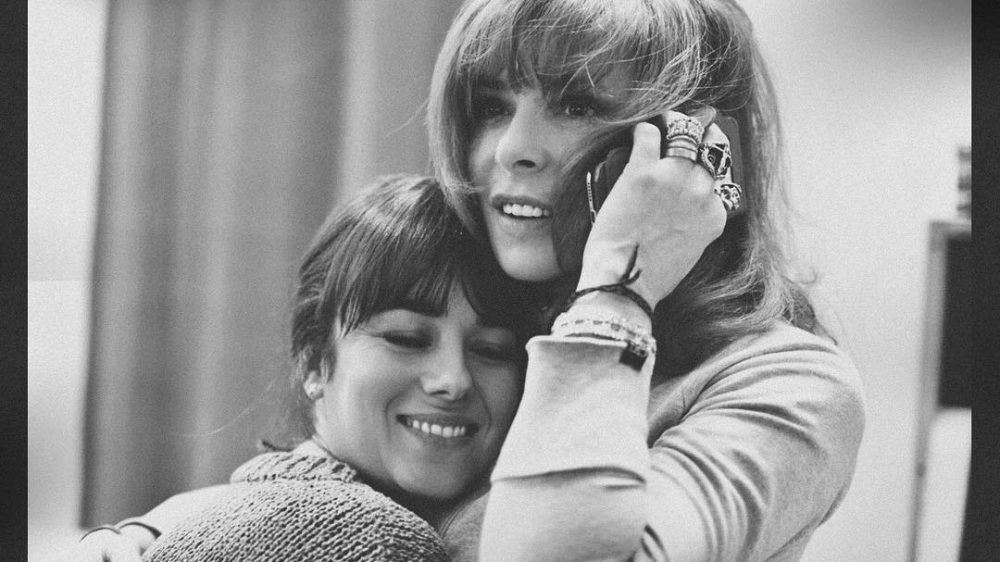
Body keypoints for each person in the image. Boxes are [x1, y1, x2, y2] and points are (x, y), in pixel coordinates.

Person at [72, 0, 866, 560]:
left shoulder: (790, 384)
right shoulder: (517, 294)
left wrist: (619, 288)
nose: (512, 149)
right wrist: (158, 535)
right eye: (490, 106)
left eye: (575, 104)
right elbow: (345, 479)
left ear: (698, 145)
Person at [62, 174, 541, 561]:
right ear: (313, 360)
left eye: (492, 350)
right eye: (406, 339)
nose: (454, 380)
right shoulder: (364, 537)